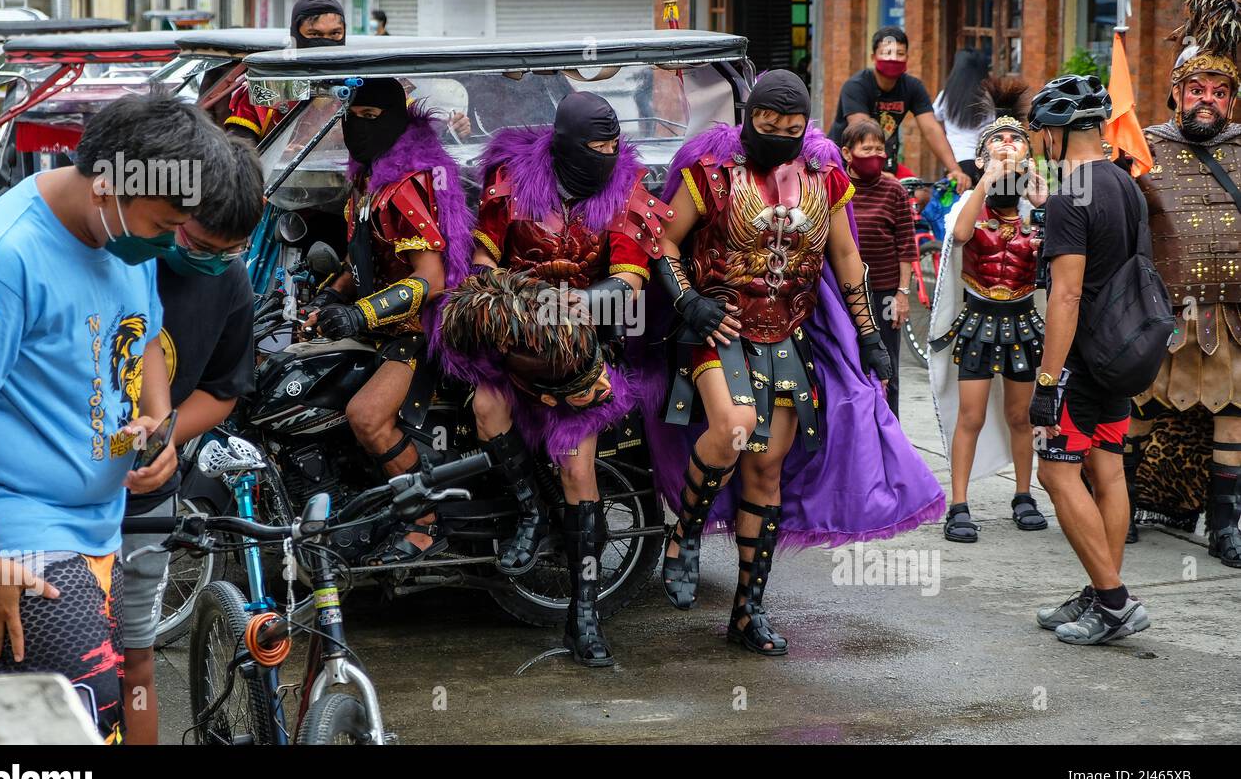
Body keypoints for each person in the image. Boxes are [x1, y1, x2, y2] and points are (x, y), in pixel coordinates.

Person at [0, 94, 239, 741]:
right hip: (18, 532)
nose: (167, 245)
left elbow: (144, 339)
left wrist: (159, 423)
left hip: (98, 525)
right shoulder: (0, 260)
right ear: (108, 184)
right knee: (86, 709)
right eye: (162, 228)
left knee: (20, 722)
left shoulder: (121, 239)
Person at [647, 70, 945, 655]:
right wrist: (690, 302)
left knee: (766, 470)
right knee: (732, 430)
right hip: (720, 323)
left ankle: (747, 614)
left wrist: (868, 333)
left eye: (791, 128)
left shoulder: (825, 175)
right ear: (749, 118)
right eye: (767, 126)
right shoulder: (708, 170)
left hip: (788, 333)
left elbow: (846, 256)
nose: (780, 136)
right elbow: (664, 241)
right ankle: (683, 536)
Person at [435, 91, 662, 667]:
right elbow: (485, 264)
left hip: (581, 349)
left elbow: (629, 286)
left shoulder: (626, 191)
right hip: (510, 335)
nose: (606, 155)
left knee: (578, 468)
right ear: (563, 143)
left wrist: (566, 315)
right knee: (488, 409)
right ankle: (529, 508)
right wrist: (510, 309)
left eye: (614, 145)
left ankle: (582, 615)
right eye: (595, 146)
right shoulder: (511, 178)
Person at [120, 140, 264, 744]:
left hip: (149, 492)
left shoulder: (231, 284)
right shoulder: (123, 253)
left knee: (135, 657)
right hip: (61, 493)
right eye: (198, 244)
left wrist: (167, 434)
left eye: (229, 251)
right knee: (33, 658)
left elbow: (224, 390)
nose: (212, 259)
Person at [303, 78, 474, 565]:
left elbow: (432, 279)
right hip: (377, 326)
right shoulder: (367, 181)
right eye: (351, 114)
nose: (356, 125)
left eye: (371, 117)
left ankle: (426, 522)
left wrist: (360, 313)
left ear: (397, 120)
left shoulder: (405, 187)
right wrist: (326, 296)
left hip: (419, 329)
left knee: (366, 415)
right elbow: (362, 262)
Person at [1027, 74, 1151, 646]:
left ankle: (1115, 602)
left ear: (1054, 134)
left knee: (1055, 472)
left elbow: (1066, 294)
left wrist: (1046, 381)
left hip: (1080, 357)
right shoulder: (1125, 182)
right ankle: (1103, 590)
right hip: (1122, 349)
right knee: (1106, 468)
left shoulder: (1069, 191)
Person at [1126, 0, 1241, 567]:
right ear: (1177, 94)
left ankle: (1225, 526)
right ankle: (1120, 507)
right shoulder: (1141, 149)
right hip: (1164, 312)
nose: (1207, 100)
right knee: (1143, 408)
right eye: (1196, 89)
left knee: (1233, 413)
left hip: (1230, 316)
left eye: (1219, 92)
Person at [929, 87, 1048, 543]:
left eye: (1017, 142)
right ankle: (958, 503)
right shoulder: (968, 210)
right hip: (978, 323)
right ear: (980, 159)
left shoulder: (1037, 216)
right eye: (997, 143)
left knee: (1021, 416)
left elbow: (1068, 250)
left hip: (1021, 323)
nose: (1007, 148)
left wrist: (1042, 198)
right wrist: (984, 180)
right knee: (972, 416)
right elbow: (960, 235)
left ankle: (1023, 495)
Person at [827, 25, 971, 193]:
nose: (893, 58)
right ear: (874, 57)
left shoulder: (913, 87)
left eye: (900, 54)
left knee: (920, 197)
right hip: (845, 164)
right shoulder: (856, 86)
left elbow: (931, 128)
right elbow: (863, 131)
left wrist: (955, 169)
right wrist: (878, 175)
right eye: (887, 53)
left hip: (885, 163)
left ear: (907, 58)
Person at [839, 118, 916, 417]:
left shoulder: (894, 189)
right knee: (849, 364)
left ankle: (889, 431)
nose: (875, 155)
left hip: (884, 294)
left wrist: (902, 293)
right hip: (845, 294)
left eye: (879, 148)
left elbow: (906, 246)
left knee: (887, 367)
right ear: (847, 152)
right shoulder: (837, 188)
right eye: (866, 148)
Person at [225, 0, 347, 143]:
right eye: (314, 35)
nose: (325, 42)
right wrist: (280, 154)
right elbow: (240, 151)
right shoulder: (264, 90)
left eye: (335, 33)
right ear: (296, 36)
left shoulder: (363, 88)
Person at [932, 49, 992, 184]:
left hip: (954, 162)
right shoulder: (987, 98)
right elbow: (991, 130)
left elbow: (933, 119)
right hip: (980, 162)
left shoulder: (946, 95)